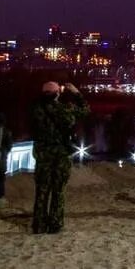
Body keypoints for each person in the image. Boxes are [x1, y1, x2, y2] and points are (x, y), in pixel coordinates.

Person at [29, 81, 89, 234]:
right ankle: (55, 223)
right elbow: (85, 110)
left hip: (43, 154)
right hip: (61, 154)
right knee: (58, 191)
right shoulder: (64, 109)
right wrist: (76, 93)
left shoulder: (34, 109)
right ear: (58, 93)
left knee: (42, 190)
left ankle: (39, 224)